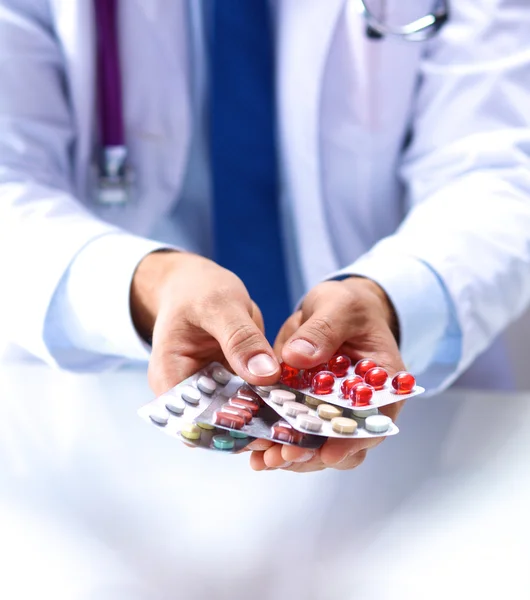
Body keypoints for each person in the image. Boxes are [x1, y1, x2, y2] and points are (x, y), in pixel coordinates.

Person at [0, 0, 529, 473]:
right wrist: (147, 285)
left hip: (425, 437)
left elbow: (500, 173)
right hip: (83, 423)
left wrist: (392, 296)